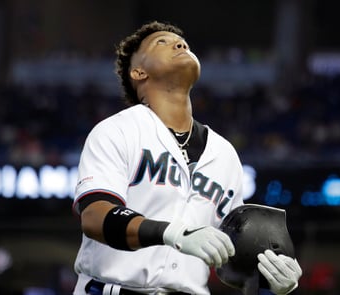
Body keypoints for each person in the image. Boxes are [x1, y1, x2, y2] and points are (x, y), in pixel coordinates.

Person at [72, 20, 302, 295]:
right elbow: (95, 217)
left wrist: (272, 277)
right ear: (138, 71)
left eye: (182, 43)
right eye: (162, 42)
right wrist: (171, 233)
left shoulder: (224, 154)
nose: (179, 44)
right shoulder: (118, 130)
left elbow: (231, 262)